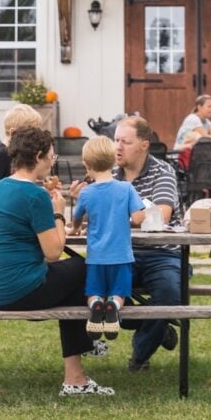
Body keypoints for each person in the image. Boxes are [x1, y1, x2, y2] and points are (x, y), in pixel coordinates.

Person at [0, 127, 113, 397]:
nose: (53, 160)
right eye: (52, 155)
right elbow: (53, 252)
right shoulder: (35, 195)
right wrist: (59, 213)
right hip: (18, 293)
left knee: (70, 278)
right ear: (38, 156)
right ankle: (76, 374)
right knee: (83, 269)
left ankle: (82, 361)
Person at [78, 115, 181, 373]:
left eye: (125, 141)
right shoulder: (107, 174)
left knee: (169, 292)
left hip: (161, 254)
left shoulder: (162, 172)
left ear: (144, 144)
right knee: (87, 286)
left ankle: (141, 352)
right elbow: (92, 213)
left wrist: (115, 216)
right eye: (115, 141)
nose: (118, 147)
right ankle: (157, 324)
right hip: (118, 253)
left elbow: (162, 216)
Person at [71, 136, 144, 339]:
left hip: (95, 257)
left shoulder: (86, 194)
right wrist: (126, 219)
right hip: (121, 256)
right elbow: (138, 217)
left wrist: (74, 229)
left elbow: (76, 219)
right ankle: (113, 305)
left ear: (86, 164)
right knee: (120, 292)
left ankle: (96, 305)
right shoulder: (126, 188)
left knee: (93, 291)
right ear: (114, 161)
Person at [0, 103, 44, 203]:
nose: (35, 138)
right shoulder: (1, 154)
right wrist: (14, 190)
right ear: (13, 133)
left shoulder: (16, 152)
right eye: (30, 135)